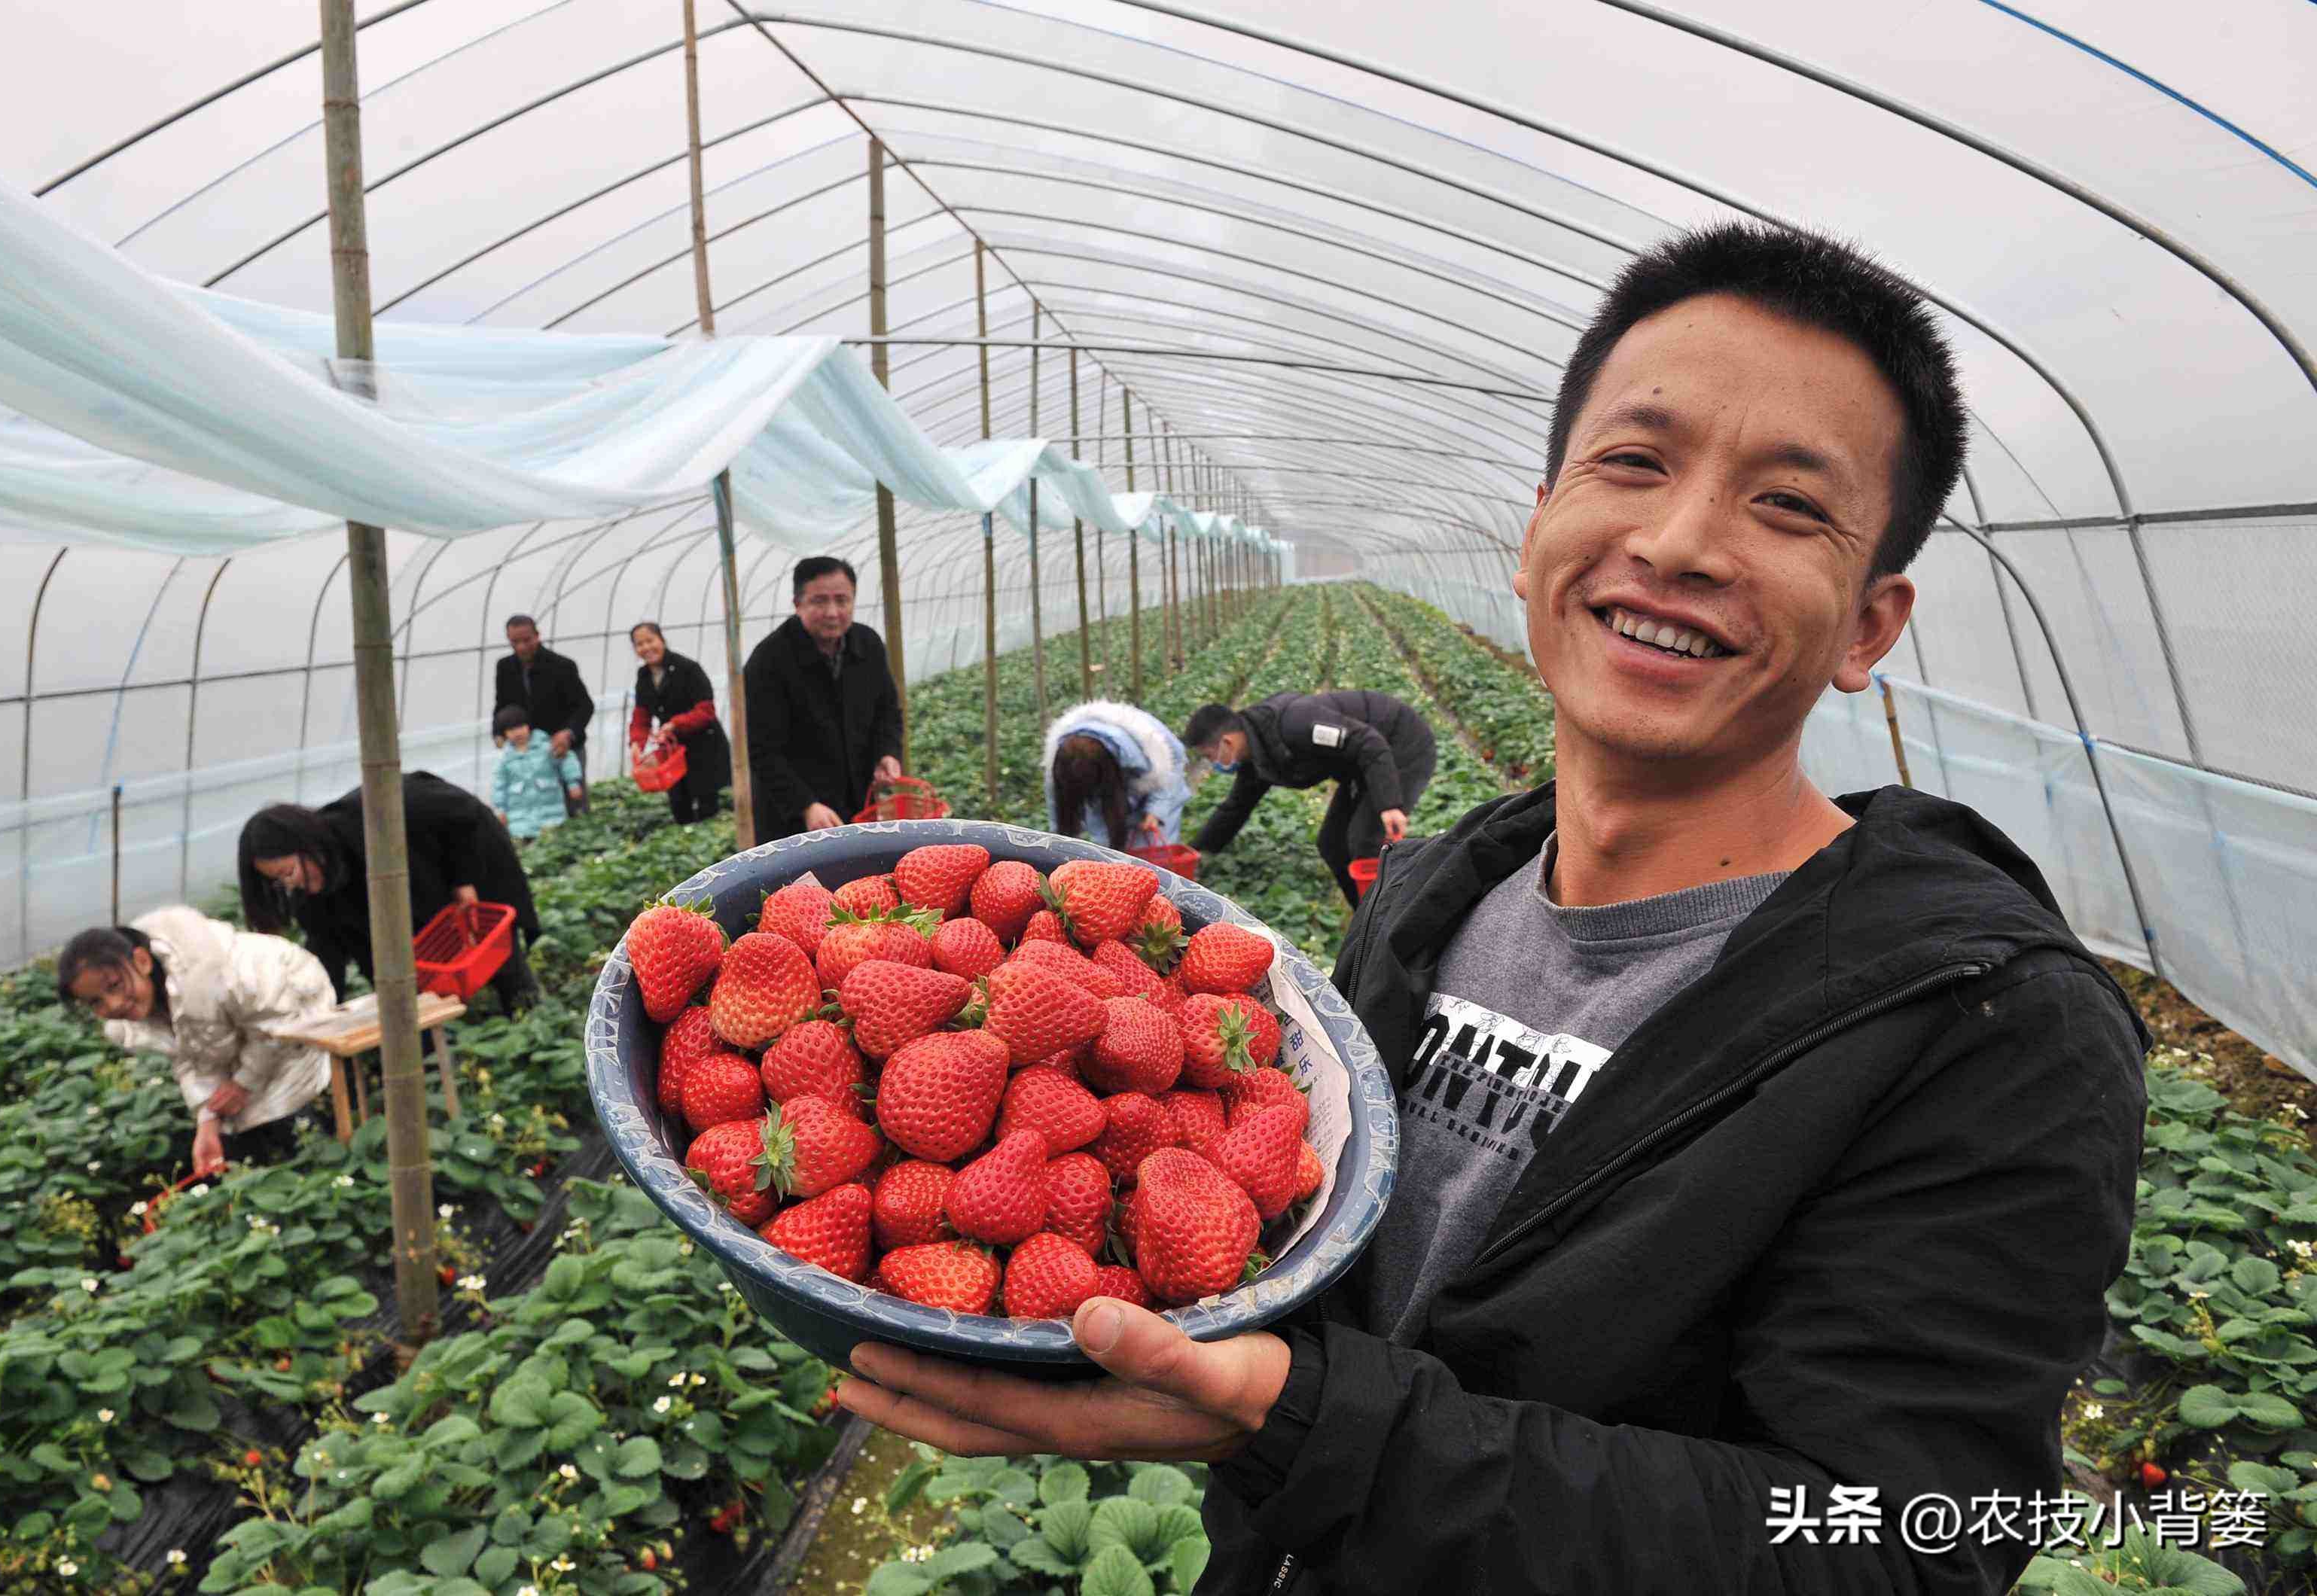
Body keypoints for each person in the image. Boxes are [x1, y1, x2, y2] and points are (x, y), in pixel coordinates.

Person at [835, 222, 2150, 1596]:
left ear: (1869, 627)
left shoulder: (1978, 1028)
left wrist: (1291, 1421)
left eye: (1785, 505)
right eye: (1632, 462)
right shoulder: (1424, 901)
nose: (1679, 540)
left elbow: (1892, 1555)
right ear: (1531, 538)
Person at [60, 908, 336, 1175]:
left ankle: (328, 1171)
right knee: (232, 1129)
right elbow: (193, 1057)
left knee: (283, 1109)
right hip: (249, 1032)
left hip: (298, 1010)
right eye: (95, 1002)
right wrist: (208, 1121)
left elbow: (274, 1029)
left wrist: (243, 1083)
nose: (114, 1004)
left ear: (142, 961)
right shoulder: (150, 1008)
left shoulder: (217, 972)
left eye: (114, 986)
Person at [239, 772, 542, 1013]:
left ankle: (528, 1017)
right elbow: (330, 951)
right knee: (404, 990)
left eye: (288, 871)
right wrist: (318, 1011)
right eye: (278, 881)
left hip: (471, 862)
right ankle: (431, 1052)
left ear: (308, 844)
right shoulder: (313, 893)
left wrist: (464, 880)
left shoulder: (372, 817)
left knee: (496, 951)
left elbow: (464, 813)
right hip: (426, 902)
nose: (291, 885)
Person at [1184, 691, 1437, 906]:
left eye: (1210, 755)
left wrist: (1389, 804)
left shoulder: (1294, 723)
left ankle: (1391, 922)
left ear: (1226, 742)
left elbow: (1368, 742)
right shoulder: (1257, 754)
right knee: (1332, 844)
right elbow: (1235, 809)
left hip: (1400, 746)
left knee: (1365, 843)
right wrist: (1195, 852)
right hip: (1363, 763)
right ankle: (1364, 916)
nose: (1212, 763)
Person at [742, 556, 904, 843]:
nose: (833, 612)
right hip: (793, 815)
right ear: (798, 604)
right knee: (799, 884)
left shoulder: (868, 645)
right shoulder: (769, 661)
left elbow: (887, 711)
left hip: (856, 798)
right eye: (819, 601)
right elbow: (762, 751)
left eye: (842, 600)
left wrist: (887, 752)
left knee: (857, 874)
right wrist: (805, 805)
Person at [1042, 699, 1191, 851]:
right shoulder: (1061, 763)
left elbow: (1173, 771)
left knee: (1153, 855)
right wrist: (1059, 847)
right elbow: (1058, 811)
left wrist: (1155, 810)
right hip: (1110, 795)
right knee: (1108, 852)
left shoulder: (1153, 743)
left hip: (1158, 794)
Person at [625, 622, 732, 827]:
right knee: (679, 803)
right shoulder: (644, 677)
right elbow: (641, 716)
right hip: (674, 752)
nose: (646, 648)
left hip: (703, 747)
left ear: (661, 640)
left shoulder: (688, 669)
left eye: (650, 641)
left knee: (706, 805)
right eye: (640, 644)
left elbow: (706, 711)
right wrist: (636, 742)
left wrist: (675, 724)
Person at [493, 614, 596, 815]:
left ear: (537, 636)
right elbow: (502, 705)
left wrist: (568, 733)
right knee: (535, 805)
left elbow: (585, 706)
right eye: (515, 642)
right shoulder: (505, 667)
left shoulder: (562, 666)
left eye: (527, 640)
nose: (522, 647)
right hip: (527, 751)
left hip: (564, 748)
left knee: (574, 802)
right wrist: (498, 732)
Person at [491, 704, 584, 842]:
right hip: (520, 821)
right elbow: (499, 786)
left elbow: (566, 760)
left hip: (552, 815)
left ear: (529, 726)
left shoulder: (546, 746)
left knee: (553, 847)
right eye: (511, 730)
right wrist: (500, 810)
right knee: (529, 853)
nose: (518, 733)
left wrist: (573, 783)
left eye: (521, 727)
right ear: (504, 734)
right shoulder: (504, 758)